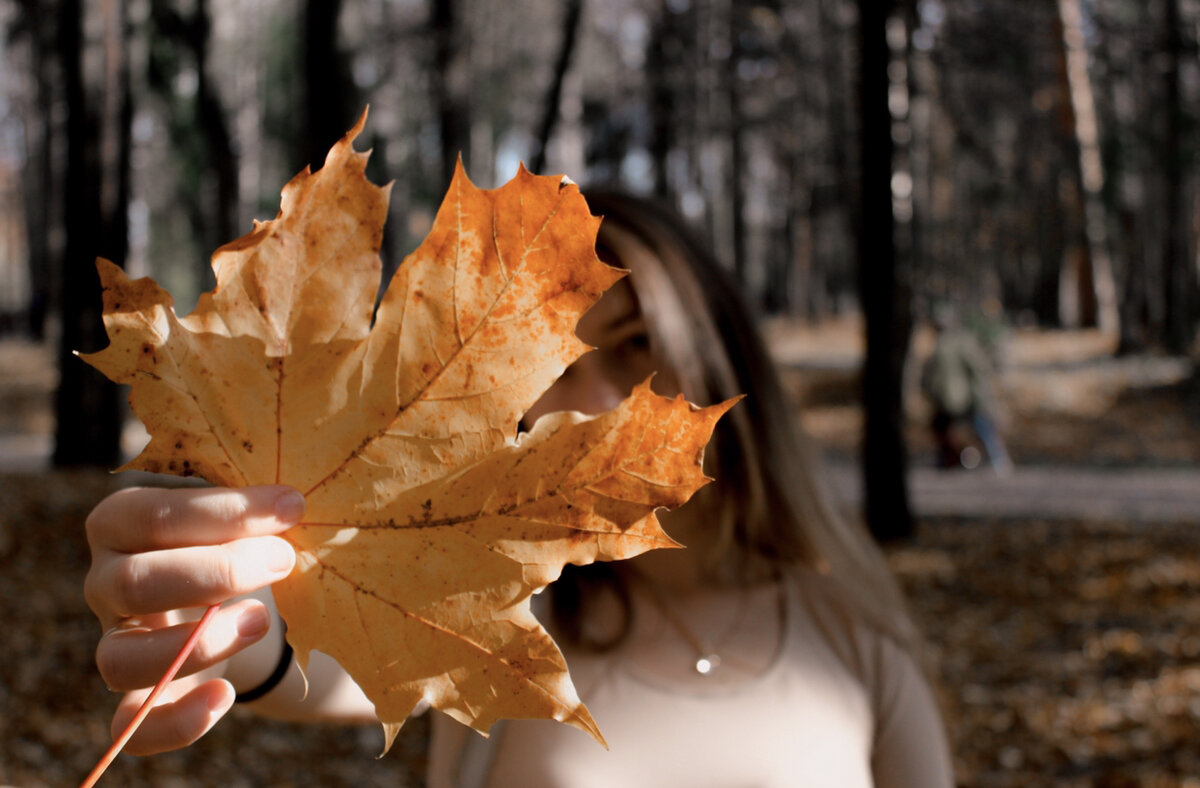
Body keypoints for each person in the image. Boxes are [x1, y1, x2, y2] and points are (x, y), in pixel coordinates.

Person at [85, 191, 954, 787]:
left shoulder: (856, 635)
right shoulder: (498, 622)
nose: (601, 400)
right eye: (554, 366)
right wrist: (226, 616)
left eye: (636, 341)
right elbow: (312, 653)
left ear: (723, 354)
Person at [919, 304, 1013, 473]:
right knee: (941, 428)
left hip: (965, 396)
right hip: (944, 398)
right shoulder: (939, 345)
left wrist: (982, 396)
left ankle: (998, 460)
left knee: (982, 426)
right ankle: (948, 459)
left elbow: (977, 370)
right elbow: (932, 374)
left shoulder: (961, 342)